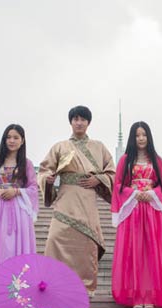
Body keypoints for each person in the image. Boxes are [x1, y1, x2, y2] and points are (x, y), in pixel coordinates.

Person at [38, 105, 115, 296]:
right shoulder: (60, 146)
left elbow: (112, 172)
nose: (79, 123)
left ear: (88, 123)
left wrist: (99, 179)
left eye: (83, 119)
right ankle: (53, 282)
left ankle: (85, 286)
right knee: (55, 238)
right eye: (75, 119)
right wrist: (48, 179)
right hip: (66, 197)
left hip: (87, 198)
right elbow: (45, 169)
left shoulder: (99, 147)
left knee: (86, 242)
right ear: (71, 122)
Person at [110, 121, 162, 308]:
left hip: (150, 210)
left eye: (144, 135)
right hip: (132, 209)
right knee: (134, 250)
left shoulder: (157, 160)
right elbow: (117, 185)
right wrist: (133, 193)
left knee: (150, 251)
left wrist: (151, 194)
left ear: (149, 137)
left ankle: (149, 295)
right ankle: (134, 295)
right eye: (137, 135)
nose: (141, 139)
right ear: (133, 138)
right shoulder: (125, 160)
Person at [0, 124, 38, 307]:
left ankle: (20, 294)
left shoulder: (26, 164)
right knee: (0, 250)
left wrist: (17, 191)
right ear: (4, 140)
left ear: (22, 140)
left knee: (19, 252)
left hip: (19, 213)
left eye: (16, 137)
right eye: (8, 137)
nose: (12, 141)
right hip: (1, 213)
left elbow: (34, 188)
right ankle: (0, 293)